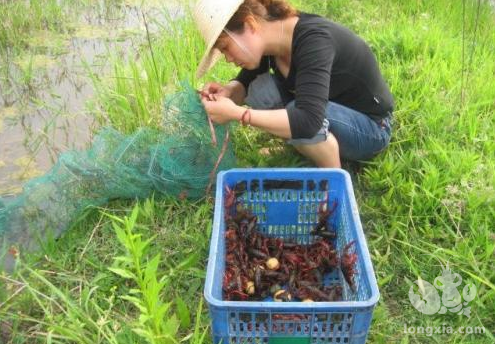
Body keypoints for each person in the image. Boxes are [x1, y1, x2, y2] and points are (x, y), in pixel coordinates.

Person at [194, 0, 394, 168]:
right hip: (323, 112)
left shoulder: (314, 41)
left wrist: (238, 114)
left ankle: (332, 179)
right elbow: (246, 81)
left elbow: (307, 120)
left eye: (226, 48)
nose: (228, 58)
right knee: (261, 89)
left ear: (251, 24)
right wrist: (227, 93)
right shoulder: (273, 41)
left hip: (370, 128)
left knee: (298, 114)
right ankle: (305, 145)